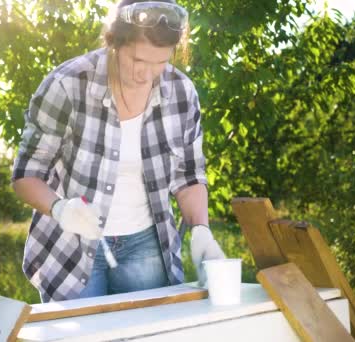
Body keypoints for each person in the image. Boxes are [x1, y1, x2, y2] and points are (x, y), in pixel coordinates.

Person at [12, 0, 225, 303]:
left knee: (146, 333)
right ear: (114, 41)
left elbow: (188, 176)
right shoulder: (68, 84)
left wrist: (201, 229)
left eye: (160, 62)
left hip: (146, 244)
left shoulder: (181, 92)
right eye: (138, 59)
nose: (147, 73)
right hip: (71, 247)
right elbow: (26, 175)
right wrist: (60, 209)